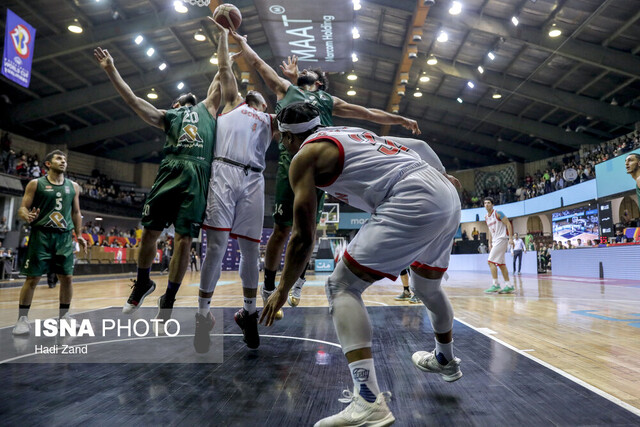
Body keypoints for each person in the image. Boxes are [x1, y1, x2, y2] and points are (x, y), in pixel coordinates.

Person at [260, 103, 462, 426]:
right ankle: (445, 359)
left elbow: (302, 236)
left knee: (340, 286)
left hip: (409, 194)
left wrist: (282, 288)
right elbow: (421, 147)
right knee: (427, 286)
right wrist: (442, 177)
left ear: (286, 138)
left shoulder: (302, 158)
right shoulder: (353, 133)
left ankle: (368, 400)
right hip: (444, 194)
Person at [230, 32, 421, 309]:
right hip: (290, 165)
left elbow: (368, 113)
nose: (303, 70)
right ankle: (269, 285)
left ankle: (296, 282)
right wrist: (243, 41)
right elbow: (259, 65)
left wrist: (400, 118)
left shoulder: (330, 101)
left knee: (306, 230)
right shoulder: (287, 89)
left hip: (319, 170)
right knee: (282, 230)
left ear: (318, 83)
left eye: (309, 72)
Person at [94, 46, 219, 330]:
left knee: (185, 240)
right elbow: (134, 101)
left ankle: (169, 299)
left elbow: (222, 75)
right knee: (149, 232)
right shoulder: (168, 116)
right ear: (176, 105)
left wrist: (226, 40)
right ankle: (142, 282)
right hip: (171, 170)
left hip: (197, 172)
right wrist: (112, 69)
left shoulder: (209, 109)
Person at [195, 20, 277, 353]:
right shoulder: (232, 102)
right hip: (224, 172)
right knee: (215, 246)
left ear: (265, 105)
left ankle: (250, 313)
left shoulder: (272, 120)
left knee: (249, 251)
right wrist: (223, 35)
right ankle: (203, 314)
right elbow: (224, 66)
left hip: (255, 179)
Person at [12, 150, 87, 335]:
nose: (63, 162)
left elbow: (76, 213)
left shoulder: (74, 187)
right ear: (48, 164)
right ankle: (22, 319)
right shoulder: (36, 184)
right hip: (42, 235)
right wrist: (26, 215)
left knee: (67, 278)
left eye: (65, 160)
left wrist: (79, 234)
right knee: (33, 279)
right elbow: (22, 208)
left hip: (64, 237)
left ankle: (64, 317)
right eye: (59, 159)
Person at [483, 197, 514, 294]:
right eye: (485, 203)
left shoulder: (498, 213)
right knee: (501, 264)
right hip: (495, 241)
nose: (486, 205)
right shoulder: (486, 217)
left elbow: (508, 224)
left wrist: (511, 238)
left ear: (492, 204)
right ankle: (508, 285)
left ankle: (495, 285)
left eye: (488, 203)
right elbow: (489, 230)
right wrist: (489, 242)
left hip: (501, 239)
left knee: (490, 262)